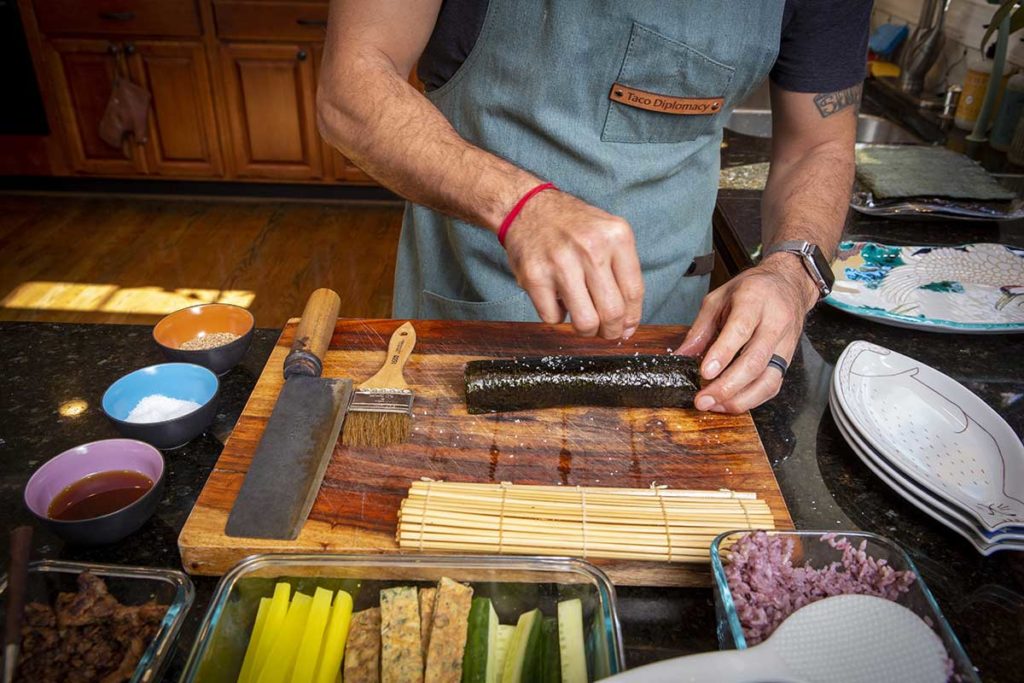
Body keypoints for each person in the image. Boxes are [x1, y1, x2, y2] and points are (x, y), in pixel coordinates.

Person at [318, 0, 870, 414]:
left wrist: (793, 272)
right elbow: (351, 85)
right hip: (474, 294)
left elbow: (818, 145)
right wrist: (520, 204)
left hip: (679, 323)